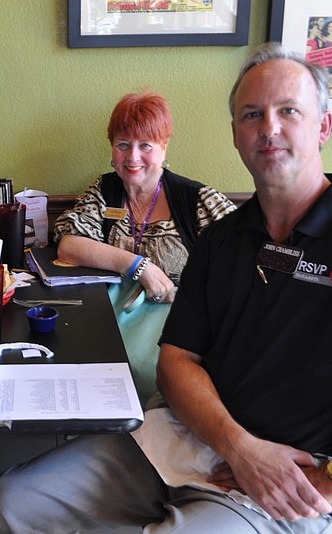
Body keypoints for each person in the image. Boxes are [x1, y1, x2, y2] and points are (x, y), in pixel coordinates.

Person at [0, 43, 332, 533]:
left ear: (323, 127)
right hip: (188, 437)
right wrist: (239, 446)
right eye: (252, 114)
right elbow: (177, 362)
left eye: (288, 111)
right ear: (235, 133)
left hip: (293, 478)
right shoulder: (224, 240)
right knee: (9, 501)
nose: (268, 128)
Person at [52, 90, 234, 401]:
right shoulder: (106, 191)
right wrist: (137, 265)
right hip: (110, 322)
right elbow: (69, 244)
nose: (133, 157)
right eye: (123, 145)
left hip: (177, 331)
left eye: (145, 146)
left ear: (164, 147)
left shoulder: (195, 200)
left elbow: (239, 263)